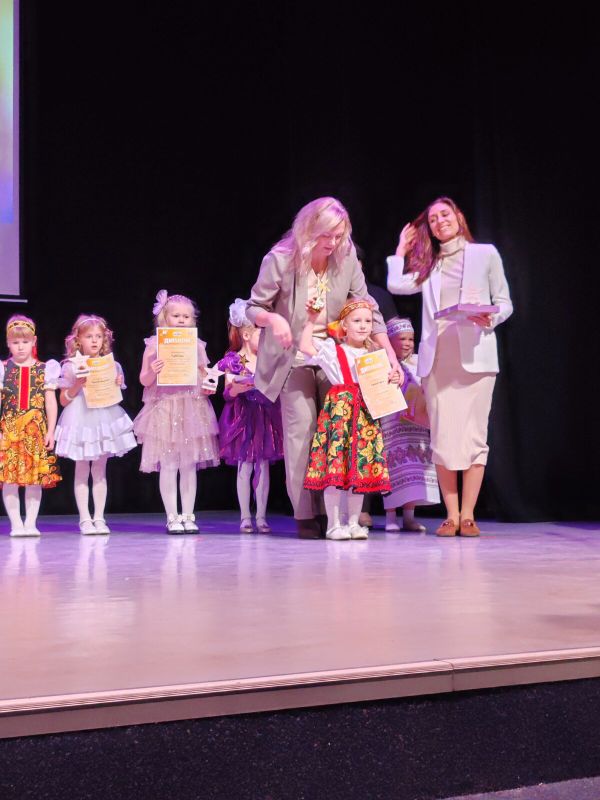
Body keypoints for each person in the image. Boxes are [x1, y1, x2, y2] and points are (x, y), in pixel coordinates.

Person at [246, 196, 402, 538]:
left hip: (335, 357)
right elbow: (254, 307)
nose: (332, 243)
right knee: (301, 431)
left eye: (338, 235)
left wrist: (388, 352)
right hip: (293, 357)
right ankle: (306, 514)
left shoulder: (346, 258)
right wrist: (274, 319)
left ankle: (337, 516)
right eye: (325, 236)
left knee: (337, 433)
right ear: (308, 230)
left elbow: (367, 306)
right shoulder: (280, 259)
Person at [387, 197, 512, 536]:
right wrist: (400, 250)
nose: (440, 221)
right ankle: (451, 515)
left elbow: (504, 302)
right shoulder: (431, 264)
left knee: (475, 437)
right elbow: (397, 285)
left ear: (458, 216)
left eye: (445, 214)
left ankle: (468, 515)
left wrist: (490, 317)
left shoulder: (484, 254)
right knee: (442, 437)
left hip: (476, 359)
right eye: (432, 219)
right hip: (438, 360)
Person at [300, 299, 395, 540]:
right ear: (344, 325)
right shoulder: (335, 350)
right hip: (340, 413)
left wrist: (393, 378)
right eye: (357, 321)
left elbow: (383, 386)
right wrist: (311, 319)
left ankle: (353, 523)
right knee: (336, 467)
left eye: (368, 321)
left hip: (364, 414)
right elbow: (305, 346)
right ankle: (333, 525)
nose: (363, 326)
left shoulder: (375, 355)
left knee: (359, 469)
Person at [133, 290, 220, 533]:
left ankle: (188, 515)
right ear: (164, 318)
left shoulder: (197, 346)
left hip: (192, 407)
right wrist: (153, 370)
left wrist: (208, 385)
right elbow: (143, 380)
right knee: (169, 464)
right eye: (176, 316)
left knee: (189, 465)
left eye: (186, 317)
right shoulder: (153, 346)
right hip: (165, 408)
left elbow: (204, 375)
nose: (182, 320)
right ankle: (172, 516)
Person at [54, 314, 137, 534]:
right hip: (80, 418)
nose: (94, 340)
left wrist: (117, 383)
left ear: (104, 339)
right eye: (89, 336)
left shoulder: (113, 365)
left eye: (98, 336)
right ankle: (84, 518)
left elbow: (114, 395)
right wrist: (77, 384)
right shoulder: (71, 366)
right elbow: (63, 400)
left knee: (100, 469)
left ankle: (99, 517)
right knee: (82, 468)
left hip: (103, 418)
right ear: (78, 340)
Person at [217, 298, 284, 534]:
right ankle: (245, 516)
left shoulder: (268, 360)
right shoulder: (233, 360)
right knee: (244, 467)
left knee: (263, 467)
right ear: (246, 335)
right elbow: (227, 392)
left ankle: (262, 516)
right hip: (243, 417)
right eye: (261, 334)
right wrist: (237, 387)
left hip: (265, 416)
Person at [0, 315, 61, 536]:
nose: (20, 347)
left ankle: (31, 523)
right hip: (9, 432)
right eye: (15, 342)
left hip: (36, 431)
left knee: (34, 479)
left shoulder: (45, 369)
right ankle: (16, 524)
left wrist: (51, 431)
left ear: (34, 341)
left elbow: (50, 402)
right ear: (8, 343)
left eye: (25, 342)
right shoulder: (3, 369)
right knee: (10, 479)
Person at [381, 316, 440, 532]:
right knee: (393, 469)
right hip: (392, 423)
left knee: (415, 468)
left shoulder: (418, 362)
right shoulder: (383, 363)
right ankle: (390, 517)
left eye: (410, 339)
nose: (407, 343)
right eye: (401, 339)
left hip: (415, 425)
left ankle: (409, 517)